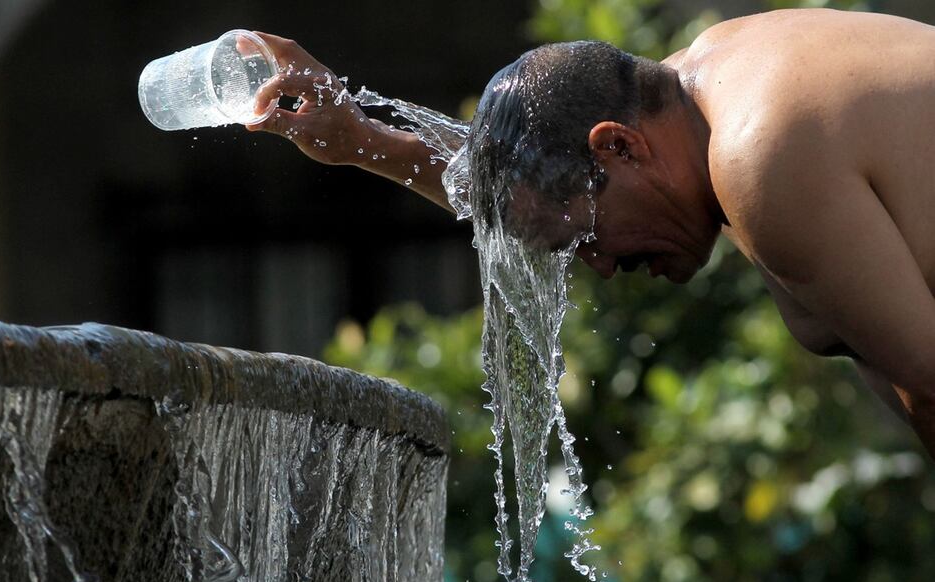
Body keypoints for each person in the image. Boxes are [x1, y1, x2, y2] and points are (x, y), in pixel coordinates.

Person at [244, 8, 935, 453]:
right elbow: (538, 183)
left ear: (621, 148)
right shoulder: (719, 72)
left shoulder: (761, 159)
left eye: (583, 239)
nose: (599, 266)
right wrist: (363, 139)